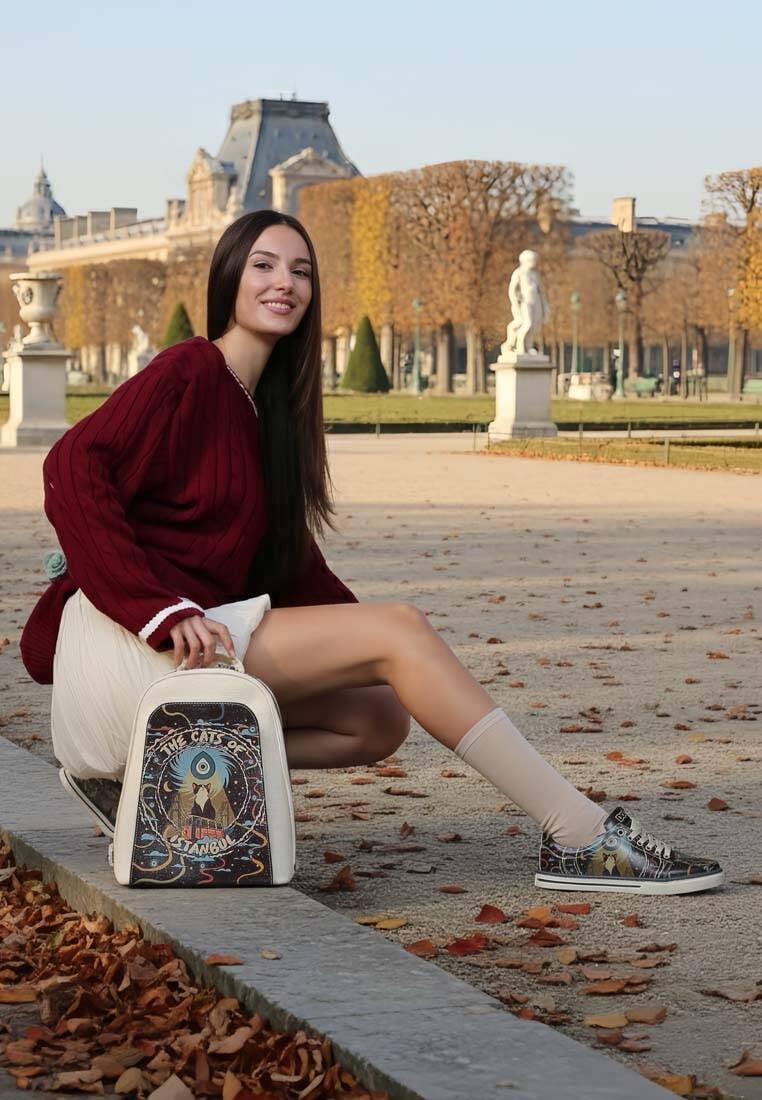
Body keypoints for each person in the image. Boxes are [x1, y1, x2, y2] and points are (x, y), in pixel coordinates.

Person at [20, 210, 723, 896]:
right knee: (400, 631)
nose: (285, 282)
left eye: (301, 271)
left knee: (378, 716)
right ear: (229, 279)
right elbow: (72, 466)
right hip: (128, 645)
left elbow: (294, 569)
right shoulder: (191, 368)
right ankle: (580, 834)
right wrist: (158, 609)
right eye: (264, 265)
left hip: (181, 647)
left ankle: (147, 778)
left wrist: (376, 649)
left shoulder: (267, 412)